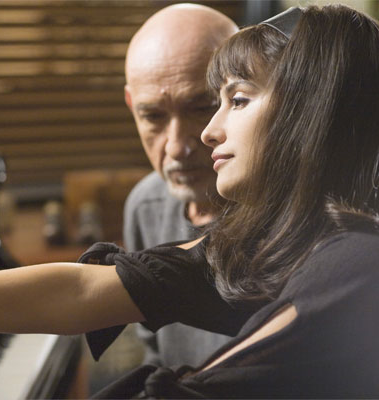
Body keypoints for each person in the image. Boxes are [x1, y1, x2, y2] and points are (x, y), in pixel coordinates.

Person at [0, 4, 379, 398]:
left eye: (235, 100)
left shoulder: (364, 267)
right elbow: (82, 291)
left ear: (311, 114)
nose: (206, 134)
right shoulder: (292, 238)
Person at [121, 3, 238, 367]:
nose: (176, 147)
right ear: (131, 105)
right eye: (153, 116)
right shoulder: (145, 206)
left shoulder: (295, 216)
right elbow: (156, 356)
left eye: (202, 107)